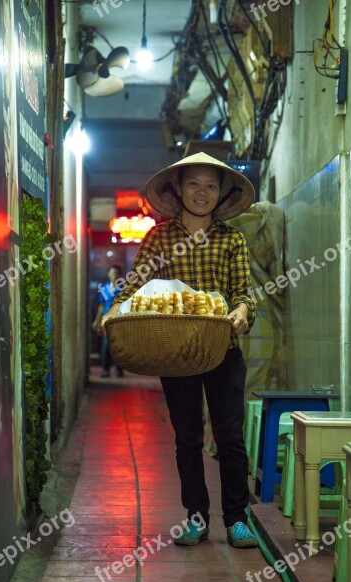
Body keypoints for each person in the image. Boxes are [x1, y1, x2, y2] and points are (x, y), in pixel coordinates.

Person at [98, 152, 257, 548]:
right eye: (193, 184)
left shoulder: (231, 239)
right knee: (187, 436)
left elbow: (244, 292)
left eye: (211, 185)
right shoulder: (159, 238)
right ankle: (197, 517)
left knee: (230, 436)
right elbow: (136, 284)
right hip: (176, 352)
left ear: (221, 193)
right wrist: (114, 309)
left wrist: (240, 311)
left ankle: (237, 519)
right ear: (178, 189)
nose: (202, 193)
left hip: (224, 349)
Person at [93, 264, 124, 377]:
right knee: (106, 346)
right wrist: (97, 320)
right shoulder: (105, 288)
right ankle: (105, 369)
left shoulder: (123, 288)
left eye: (116, 273)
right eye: (112, 273)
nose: (114, 275)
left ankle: (119, 369)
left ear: (119, 275)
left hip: (119, 319)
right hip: (107, 320)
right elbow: (101, 305)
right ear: (108, 274)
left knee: (119, 346)